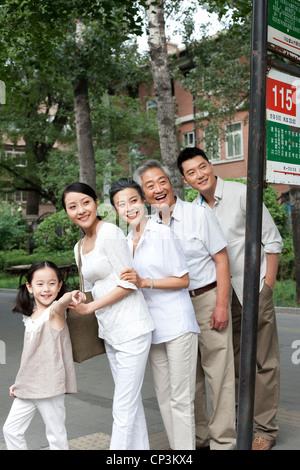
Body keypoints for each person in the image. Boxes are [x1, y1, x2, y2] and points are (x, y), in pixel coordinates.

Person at [177, 146, 283, 451]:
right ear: (185, 180)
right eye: (191, 173)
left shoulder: (240, 194)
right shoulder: (193, 210)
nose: (199, 175)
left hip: (252, 291)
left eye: (202, 167)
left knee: (264, 360)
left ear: (211, 165)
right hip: (220, 296)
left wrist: (267, 288)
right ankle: (239, 421)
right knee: (233, 362)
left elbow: (273, 242)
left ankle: (265, 427)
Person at [133, 161, 236, 450]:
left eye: (162, 181)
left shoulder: (198, 215)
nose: (158, 189)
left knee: (220, 375)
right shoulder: (147, 225)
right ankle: (197, 438)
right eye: (150, 186)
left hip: (205, 300)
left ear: (172, 182)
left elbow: (221, 259)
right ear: (143, 194)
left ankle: (224, 442)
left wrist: (221, 305)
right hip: (172, 310)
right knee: (189, 381)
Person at [62, 182, 155, 450]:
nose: (81, 210)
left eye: (85, 202)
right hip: (109, 331)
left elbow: (128, 283)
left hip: (132, 328)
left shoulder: (110, 233)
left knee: (122, 406)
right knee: (131, 403)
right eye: (72, 206)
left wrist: (90, 308)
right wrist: (80, 298)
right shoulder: (80, 247)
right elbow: (89, 289)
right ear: (67, 212)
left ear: (95, 202)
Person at [109, 177, 200, 450]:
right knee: (163, 396)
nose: (129, 208)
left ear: (144, 202)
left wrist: (144, 282)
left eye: (133, 201)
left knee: (181, 399)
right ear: (116, 211)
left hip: (178, 324)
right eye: (121, 204)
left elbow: (183, 280)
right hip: (150, 328)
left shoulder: (161, 233)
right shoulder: (125, 242)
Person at [3, 261, 85, 450]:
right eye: (40, 284)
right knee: (11, 430)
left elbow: (62, 303)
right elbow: (28, 353)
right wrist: (19, 381)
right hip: (29, 384)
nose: (46, 289)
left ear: (59, 286)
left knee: (55, 435)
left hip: (50, 385)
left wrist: (71, 296)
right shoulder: (30, 316)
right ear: (30, 287)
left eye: (51, 283)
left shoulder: (55, 313)